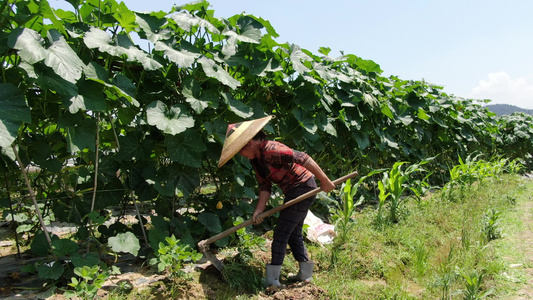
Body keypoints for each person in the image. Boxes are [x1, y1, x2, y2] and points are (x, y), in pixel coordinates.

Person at [218, 115, 335, 287]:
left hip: (303, 186)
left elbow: (302, 157)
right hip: (292, 190)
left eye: (241, 151)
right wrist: (259, 210)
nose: (242, 155)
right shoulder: (256, 161)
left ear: (249, 144)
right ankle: (305, 275)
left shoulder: (271, 150)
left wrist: (324, 180)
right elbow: (265, 186)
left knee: (281, 234)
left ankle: (272, 281)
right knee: (293, 232)